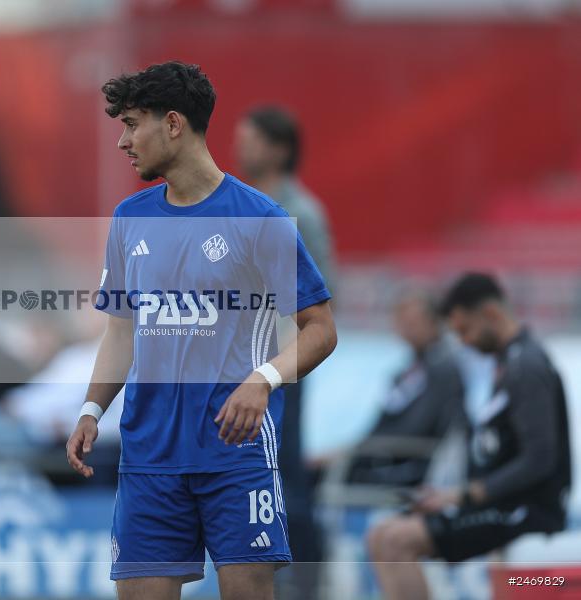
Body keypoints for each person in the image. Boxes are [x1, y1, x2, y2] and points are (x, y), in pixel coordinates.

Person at [65, 62, 337, 600]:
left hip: (234, 454)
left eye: (131, 124)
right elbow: (121, 333)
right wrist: (91, 410)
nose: (122, 141)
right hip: (149, 455)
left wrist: (263, 379)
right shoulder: (129, 218)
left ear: (172, 124)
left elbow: (320, 328)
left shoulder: (261, 218)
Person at [368, 273, 572, 600]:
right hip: (501, 502)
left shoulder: (526, 366)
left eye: (465, 330)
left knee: (396, 540)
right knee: (381, 535)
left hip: (527, 511)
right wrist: (450, 495)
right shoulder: (508, 363)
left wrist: (465, 495)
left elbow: (539, 460)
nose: (462, 342)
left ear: (491, 314)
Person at [234, 105, 339, 598]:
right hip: (242, 364)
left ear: (279, 148)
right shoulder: (243, 204)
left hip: (282, 366)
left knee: (285, 478)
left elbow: (321, 300)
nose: (241, 148)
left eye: (251, 140)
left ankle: (305, 584)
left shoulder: (303, 212)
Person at [347, 289, 466, 487]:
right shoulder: (408, 371)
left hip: (407, 464)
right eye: (401, 321)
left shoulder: (443, 370)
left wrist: (357, 451)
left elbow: (417, 428)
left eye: (412, 323)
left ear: (434, 323)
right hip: (383, 453)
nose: (405, 328)